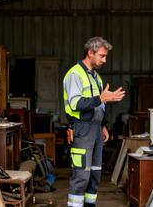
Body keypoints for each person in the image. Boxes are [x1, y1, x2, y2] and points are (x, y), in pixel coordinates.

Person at [63, 37, 125, 207]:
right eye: (102, 56)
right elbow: (76, 104)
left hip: (96, 129)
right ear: (90, 52)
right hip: (82, 130)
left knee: (95, 174)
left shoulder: (95, 76)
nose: (104, 60)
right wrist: (100, 97)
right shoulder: (75, 74)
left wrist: (103, 124)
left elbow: (100, 104)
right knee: (81, 175)